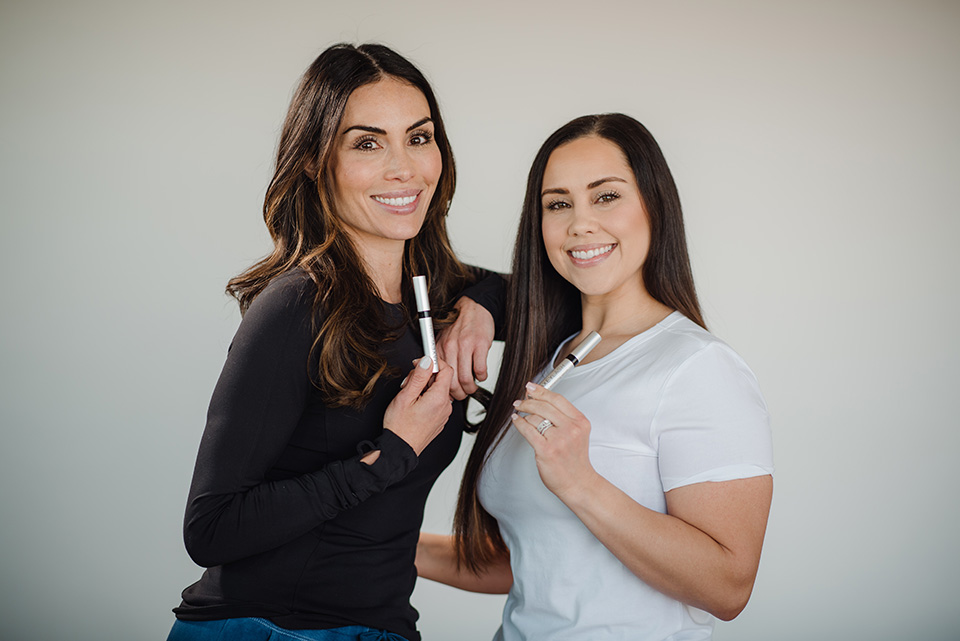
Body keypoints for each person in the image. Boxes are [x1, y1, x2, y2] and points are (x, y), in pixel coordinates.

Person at [167, 43, 503, 641]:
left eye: (419, 138)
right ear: (316, 163)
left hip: (383, 628)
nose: (404, 168)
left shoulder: (433, 293)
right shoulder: (296, 306)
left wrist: (483, 307)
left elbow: (554, 288)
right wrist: (391, 453)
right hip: (269, 631)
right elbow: (210, 530)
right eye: (368, 143)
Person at [416, 113, 774, 640]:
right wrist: (379, 545)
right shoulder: (551, 359)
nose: (579, 223)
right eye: (558, 204)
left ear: (654, 205)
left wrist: (581, 483)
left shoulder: (698, 370)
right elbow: (534, 559)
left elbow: (727, 588)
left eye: (605, 196)